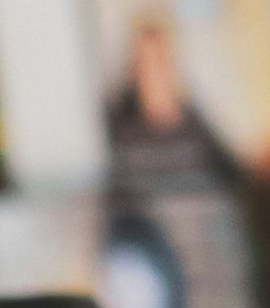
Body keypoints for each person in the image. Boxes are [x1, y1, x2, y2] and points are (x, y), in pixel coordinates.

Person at [104, 20, 243, 194]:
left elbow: (234, 174)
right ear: (133, 68)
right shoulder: (119, 123)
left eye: (158, 60)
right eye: (144, 63)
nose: (152, 71)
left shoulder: (194, 122)